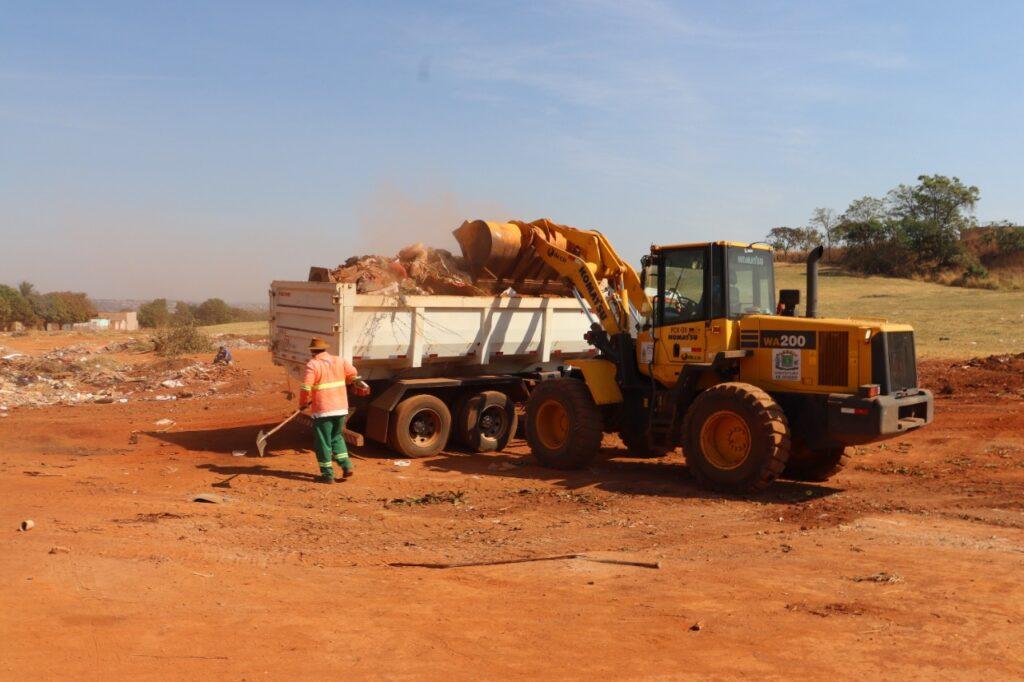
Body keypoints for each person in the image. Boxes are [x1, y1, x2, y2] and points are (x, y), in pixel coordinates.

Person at [299, 337, 369, 484]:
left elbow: (306, 387)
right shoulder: (339, 360)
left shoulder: (313, 364)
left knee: (323, 443)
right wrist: (352, 381)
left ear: (312, 351)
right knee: (336, 437)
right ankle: (346, 465)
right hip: (341, 408)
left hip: (323, 410)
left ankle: (327, 475)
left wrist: (303, 403)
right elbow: (353, 374)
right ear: (325, 349)